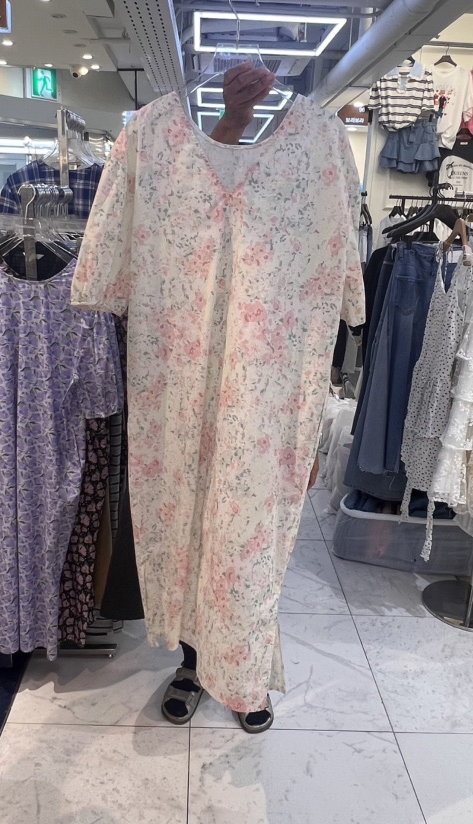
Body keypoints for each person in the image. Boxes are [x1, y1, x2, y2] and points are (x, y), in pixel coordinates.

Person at [159, 62, 318, 734]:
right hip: (183, 379)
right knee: (191, 525)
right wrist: (231, 121)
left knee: (250, 534)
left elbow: (329, 279)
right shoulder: (167, 147)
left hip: (270, 388)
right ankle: (194, 664)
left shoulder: (316, 152)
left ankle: (247, 673)